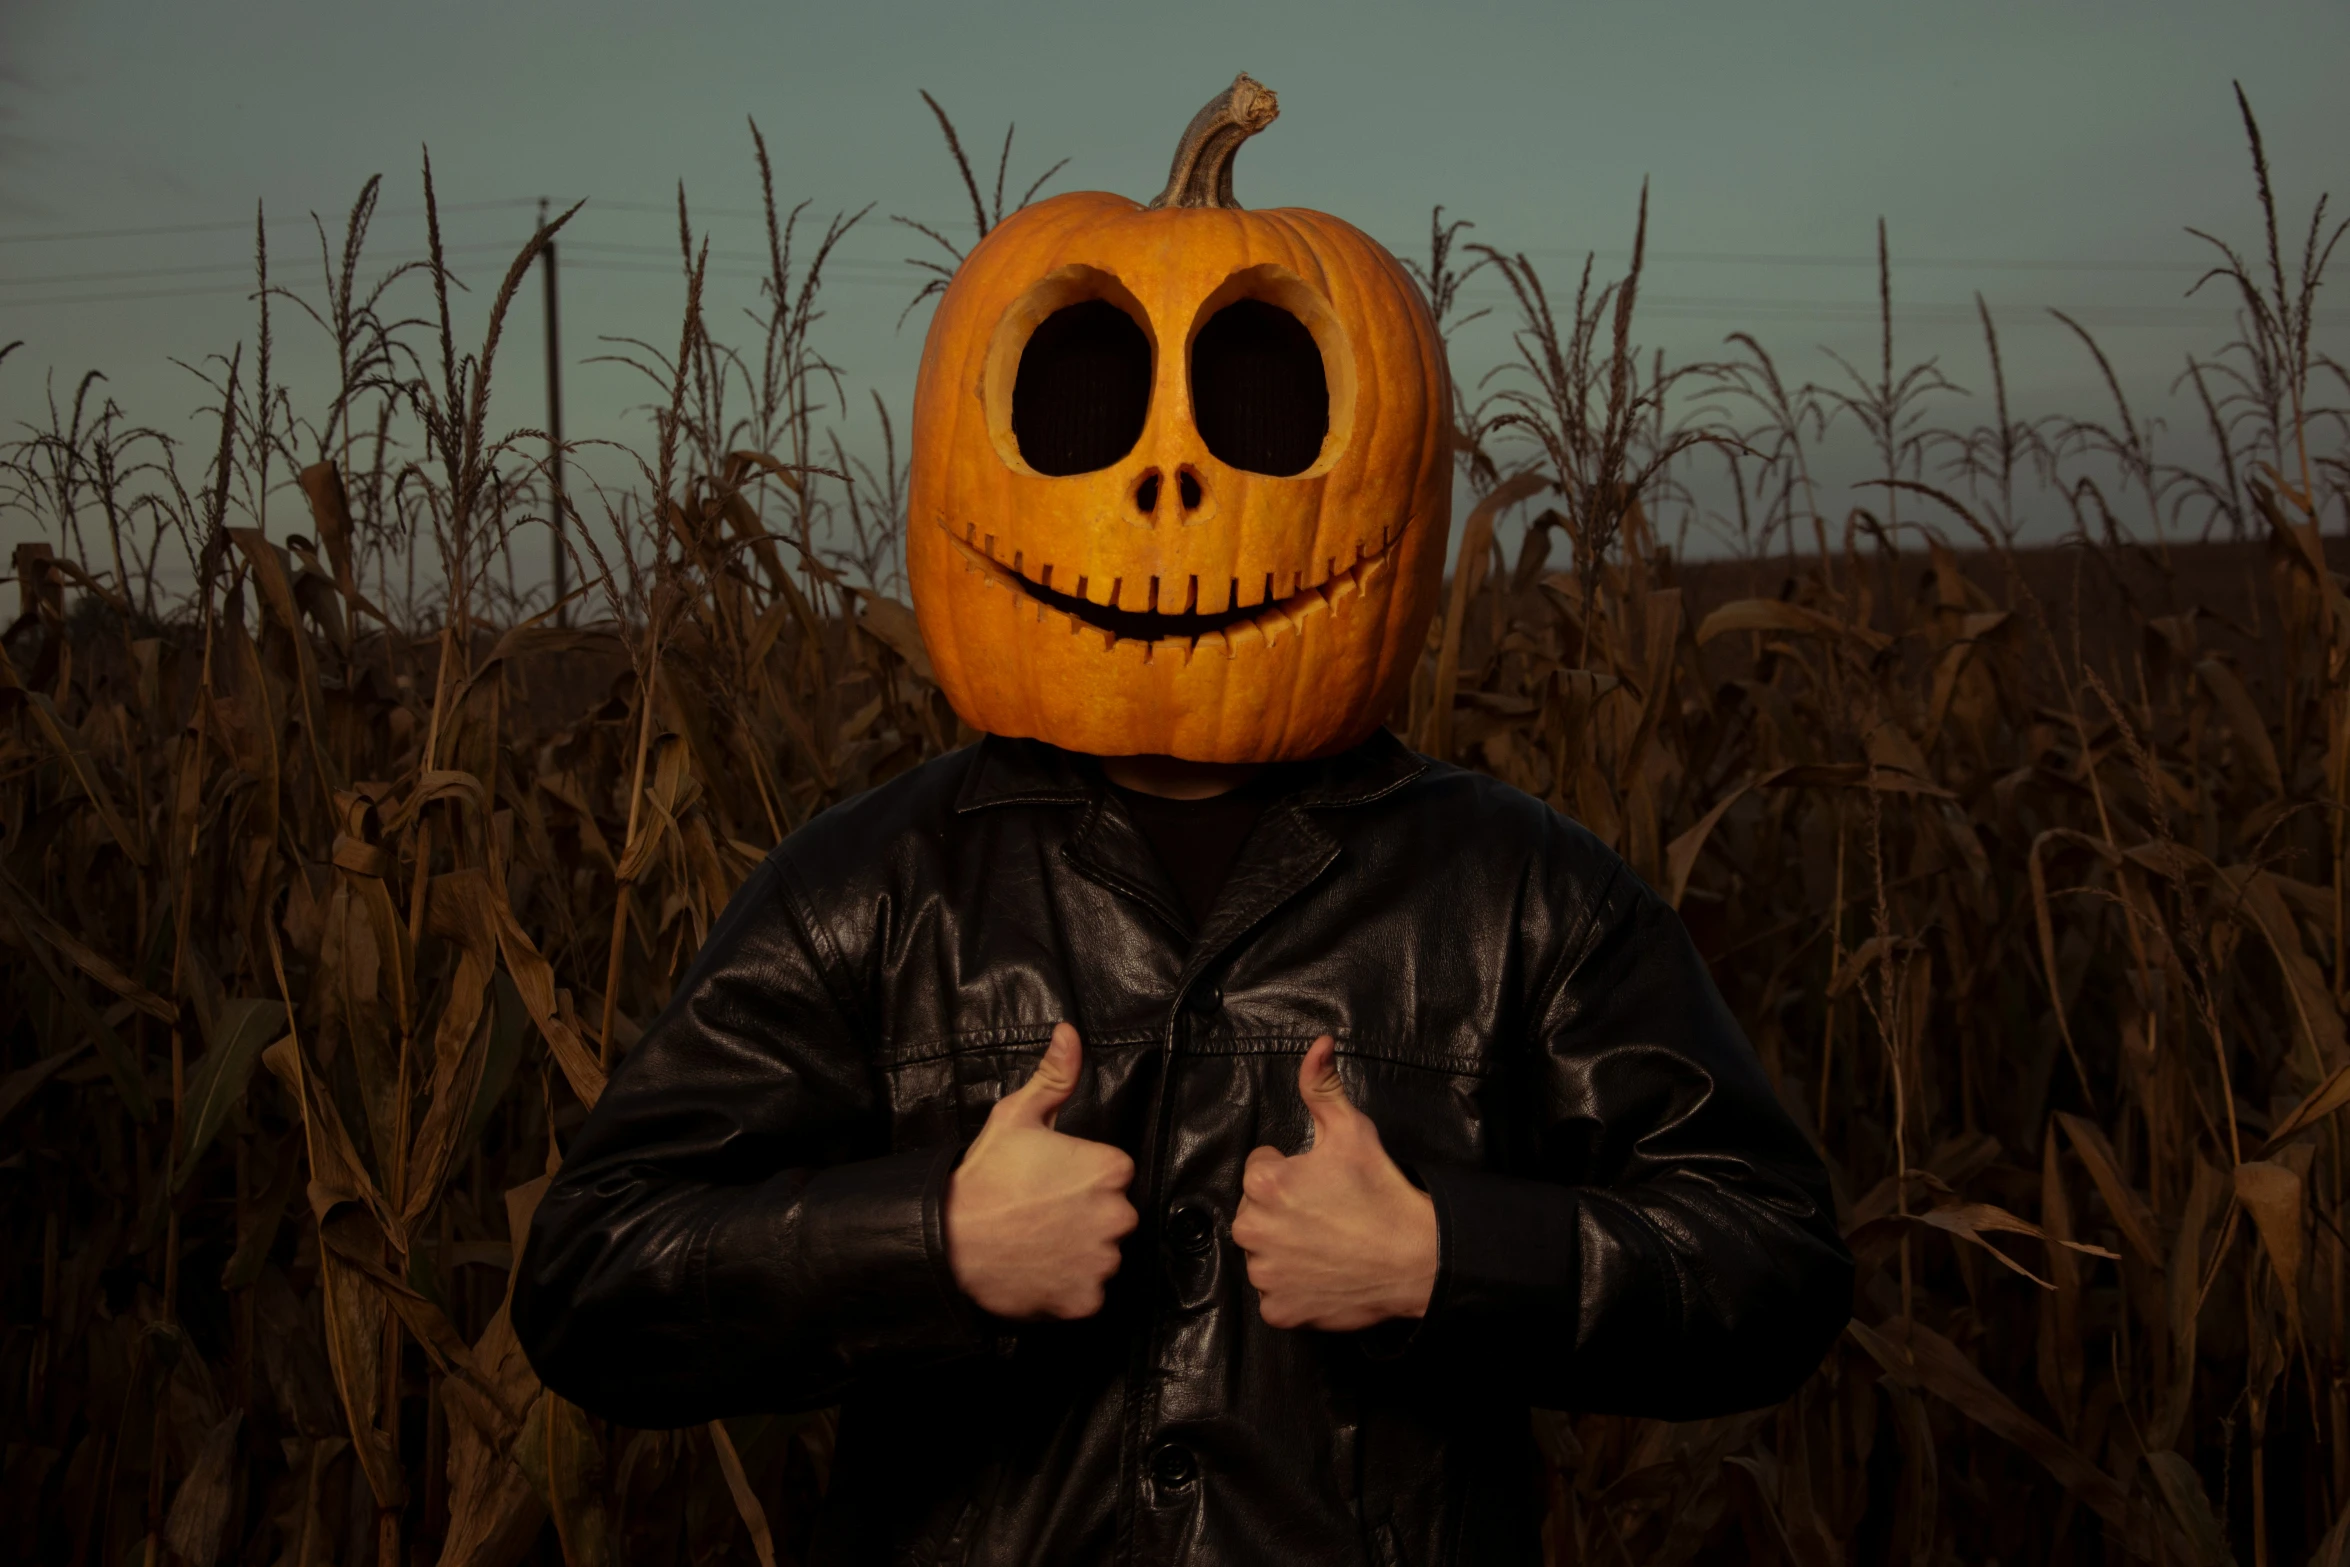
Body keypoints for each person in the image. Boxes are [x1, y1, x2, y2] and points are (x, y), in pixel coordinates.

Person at [514, 76, 1851, 1567]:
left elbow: (1773, 1262)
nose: (1167, 476)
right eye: (1085, 406)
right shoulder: (877, 888)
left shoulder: (1513, 891)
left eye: (1259, 408)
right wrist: (932, 1242)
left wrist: (1442, 1254)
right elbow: (591, 1277)